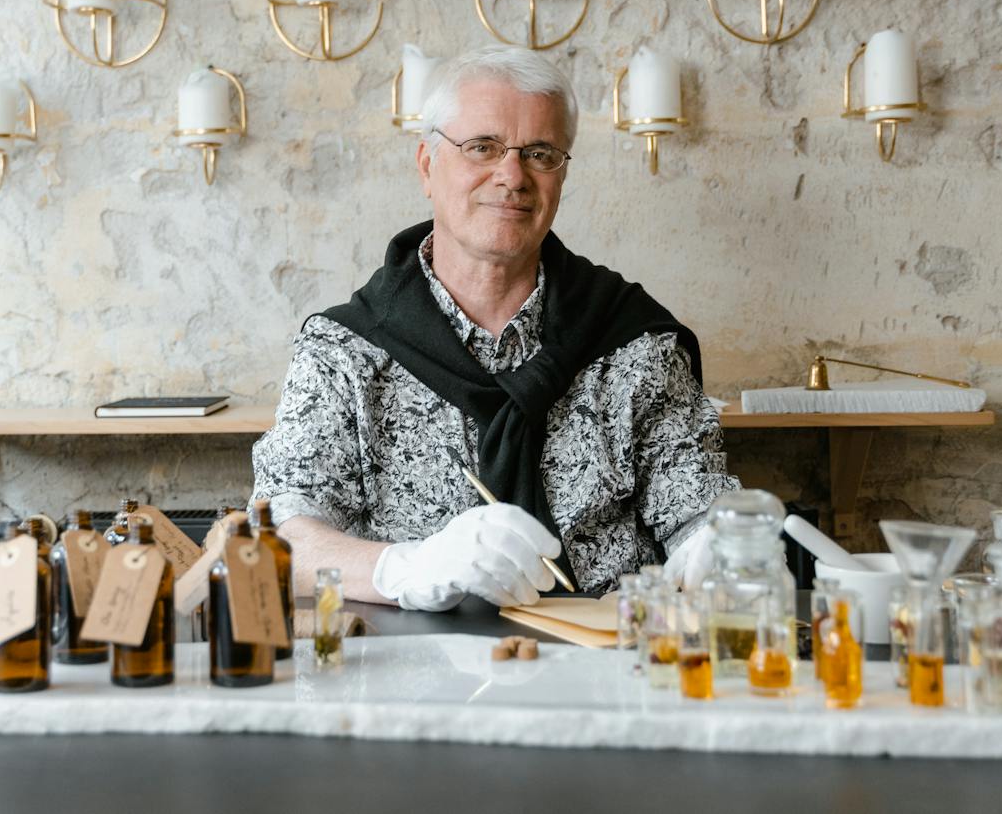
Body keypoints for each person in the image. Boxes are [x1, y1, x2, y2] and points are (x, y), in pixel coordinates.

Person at [251, 45, 737, 609]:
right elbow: (281, 537)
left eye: (540, 153)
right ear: (428, 166)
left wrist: (718, 546)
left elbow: (696, 507)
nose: (512, 175)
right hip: (408, 677)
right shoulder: (344, 352)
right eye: (482, 147)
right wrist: (405, 568)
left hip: (607, 671)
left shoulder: (635, 343)